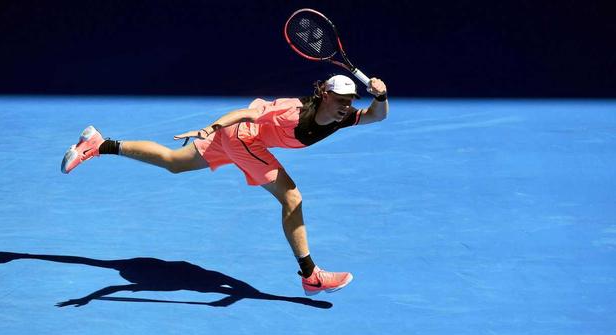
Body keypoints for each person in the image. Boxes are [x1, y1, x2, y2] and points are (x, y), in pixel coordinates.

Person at [61, 74, 388, 295]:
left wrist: (382, 95)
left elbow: (377, 115)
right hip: (242, 137)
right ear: (324, 94)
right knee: (292, 197)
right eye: (341, 98)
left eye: (350, 99)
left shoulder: (342, 117)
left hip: (242, 142)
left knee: (175, 163)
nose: (347, 104)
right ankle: (310, 276)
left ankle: (99, 145)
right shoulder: (292, 111)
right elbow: (245, 114)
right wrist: (210, 127)